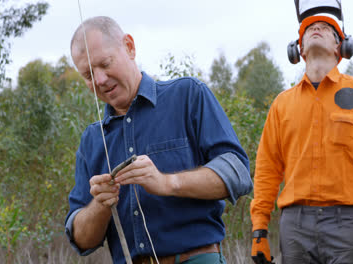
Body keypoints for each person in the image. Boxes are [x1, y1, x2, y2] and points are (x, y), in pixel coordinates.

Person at [65, 16, 253, 264]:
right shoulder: (92, 140)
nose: (99, 80)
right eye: (88, 75)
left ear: (130, 47)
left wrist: (168, 182)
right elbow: (81, 240)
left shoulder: (188, 95)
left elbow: (237, 173)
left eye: (105, 63)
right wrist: (100, 205)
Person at [250, 4, 353, 264]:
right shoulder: (282, 104)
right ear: (299, 49)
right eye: (309, 29)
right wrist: (259, 229)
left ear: (342, 47)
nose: (316, 28)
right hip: (294, 227)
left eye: (325, 28)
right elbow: (267, 169)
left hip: (346, 225)